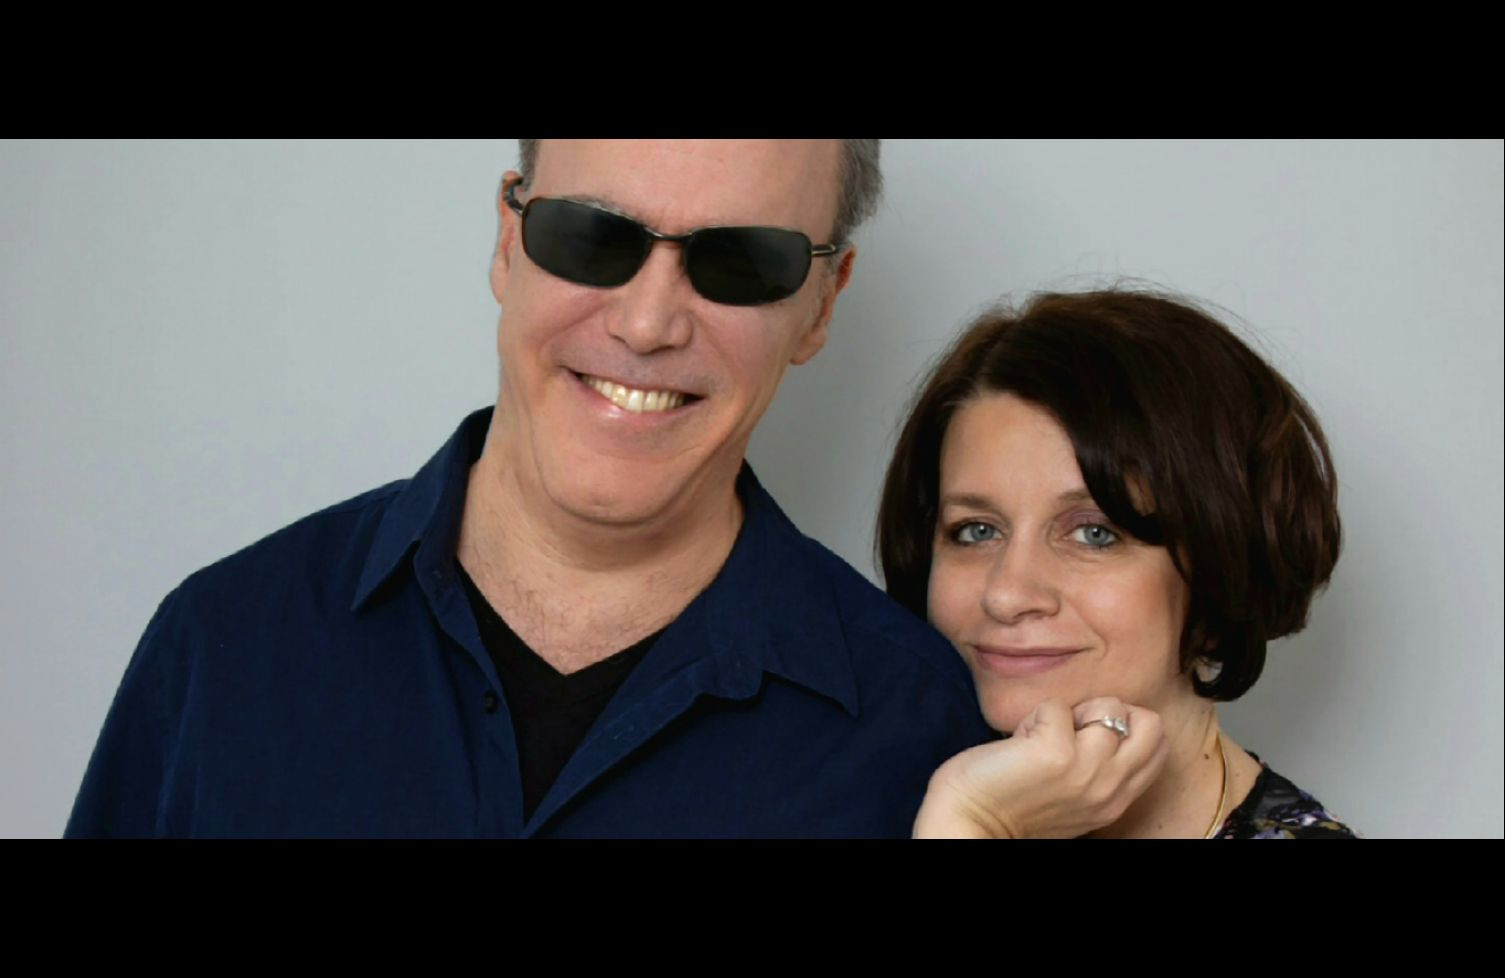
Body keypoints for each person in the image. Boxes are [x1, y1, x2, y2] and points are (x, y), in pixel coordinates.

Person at [65, 139, 994, 838]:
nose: (646, 324)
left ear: (822, 302)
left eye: (740, 260)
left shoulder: (923, 734)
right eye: (593, 236)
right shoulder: (223, 643)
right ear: (509, 242)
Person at [879, 289, 1359, 838]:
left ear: (1222, 566)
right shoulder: (858, 797)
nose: (1006, 595)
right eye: (976, 531)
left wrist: (972, 820)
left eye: (1094, 533)